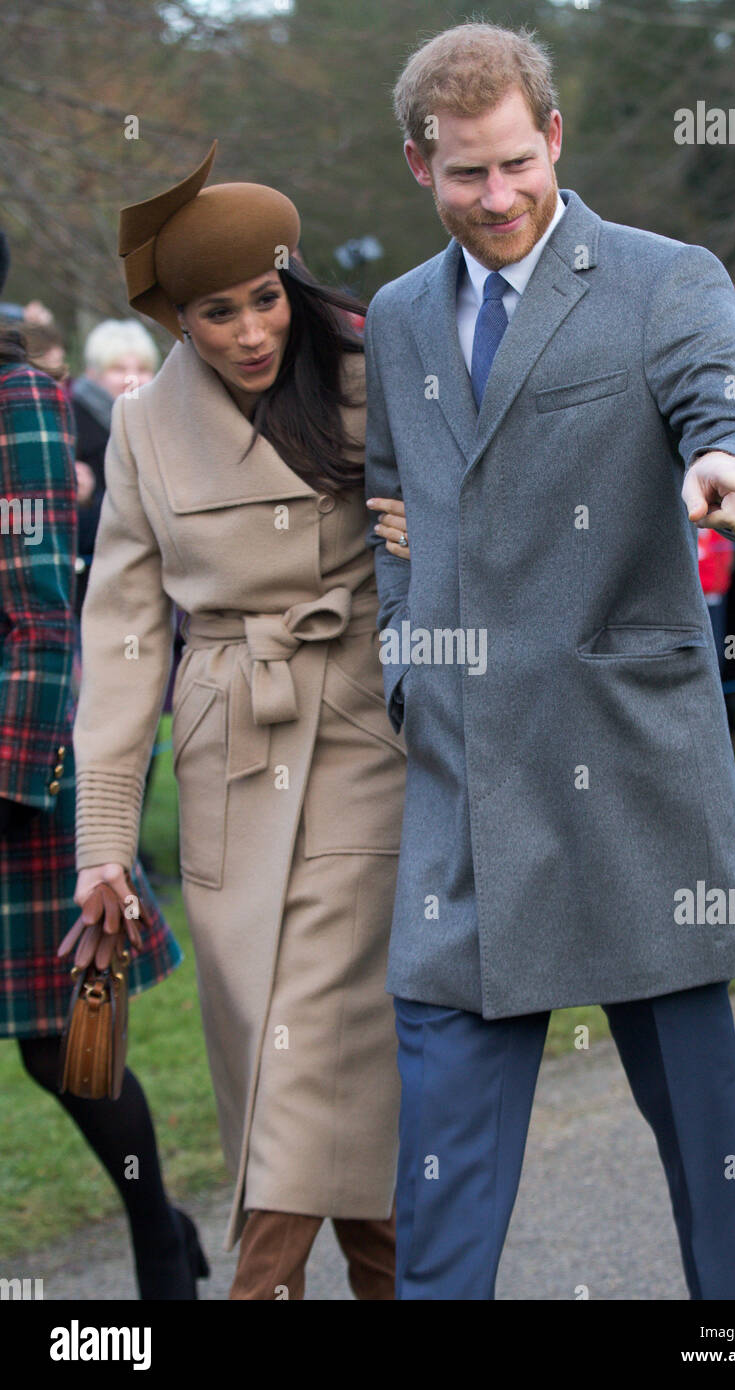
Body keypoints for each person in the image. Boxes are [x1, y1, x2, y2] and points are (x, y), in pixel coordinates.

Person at [364, 21, 735, 1300]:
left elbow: (732, 410)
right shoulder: (396, 317)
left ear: (550, 136)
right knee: (439, 1188)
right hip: (462, 799)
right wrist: (408, 660)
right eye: (464, 175)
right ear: (418, 165)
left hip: (628, 783)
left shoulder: (663, 277)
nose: (495, 198)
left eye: (514, 163)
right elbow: (392, 508)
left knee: (707, 1162)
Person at [71, 142, 411, 1300]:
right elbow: (121, 641)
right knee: (274, 1047)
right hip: (226, 753)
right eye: (219, 312)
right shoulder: (140, 431)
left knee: (321, 1035)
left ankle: (256, 1284)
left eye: (267, 297)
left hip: (364, 733)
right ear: (177, 318)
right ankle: (391, 1274)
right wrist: (106, 845)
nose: (254, 330)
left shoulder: (377, 368)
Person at [0, 228, 202, 1300]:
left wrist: (13, 779)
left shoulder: (23, 403)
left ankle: (156, 1240)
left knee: (61, 1051)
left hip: (14, 772)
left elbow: (41, 613)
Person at [70, 319, 160, 616]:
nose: (132, 379)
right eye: (119, 369)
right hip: (87, 591)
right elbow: (32, 525)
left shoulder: (161, 425)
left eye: (142, 369)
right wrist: (82, 500)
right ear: (93, 373)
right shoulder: (70, 424)